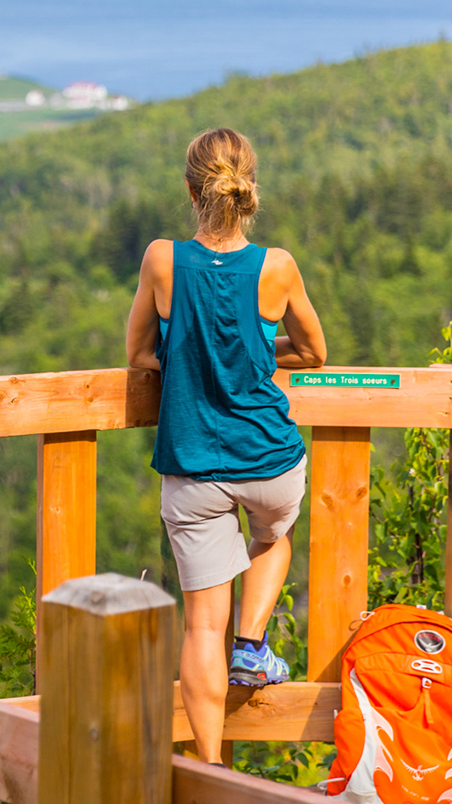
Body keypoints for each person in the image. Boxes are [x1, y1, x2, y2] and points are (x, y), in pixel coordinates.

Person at [124, 126, 326, 765]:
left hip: (193, 467)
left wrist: (190, 359)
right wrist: (258, 355)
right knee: (273, 536)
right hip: (269, 457)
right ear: (249, 190)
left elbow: (138, 354)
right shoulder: (277, 266)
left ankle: (210, 767)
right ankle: (252, 645)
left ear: (191, 190)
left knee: (200, 627)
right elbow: (315, 353)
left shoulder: (162, 260)